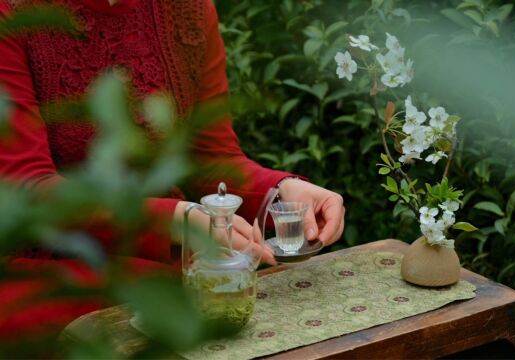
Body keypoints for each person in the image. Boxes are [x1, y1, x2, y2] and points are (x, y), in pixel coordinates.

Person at [0, 0, 345, 349]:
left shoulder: (189, 9)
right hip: (39, 263)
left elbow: (210, 158)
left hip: (169, 257)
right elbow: (28, 186)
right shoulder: (15, 12)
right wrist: (177, 220)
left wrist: (279, 191)